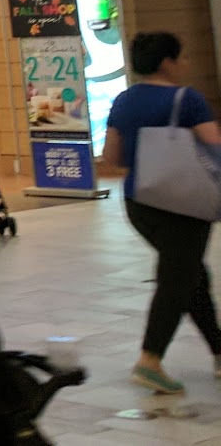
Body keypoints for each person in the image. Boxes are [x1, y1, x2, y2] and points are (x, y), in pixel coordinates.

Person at [98, 31, 221, 395]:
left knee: (190, 274)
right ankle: (149, 360)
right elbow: (214, 145)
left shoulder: (123, 100)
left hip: (140, 203)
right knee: (176, 281)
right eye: (182, 58)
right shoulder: (187, 99)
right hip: (184, 204)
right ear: (167, 62)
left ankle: (218, 351)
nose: (185, 64)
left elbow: (111, 157)